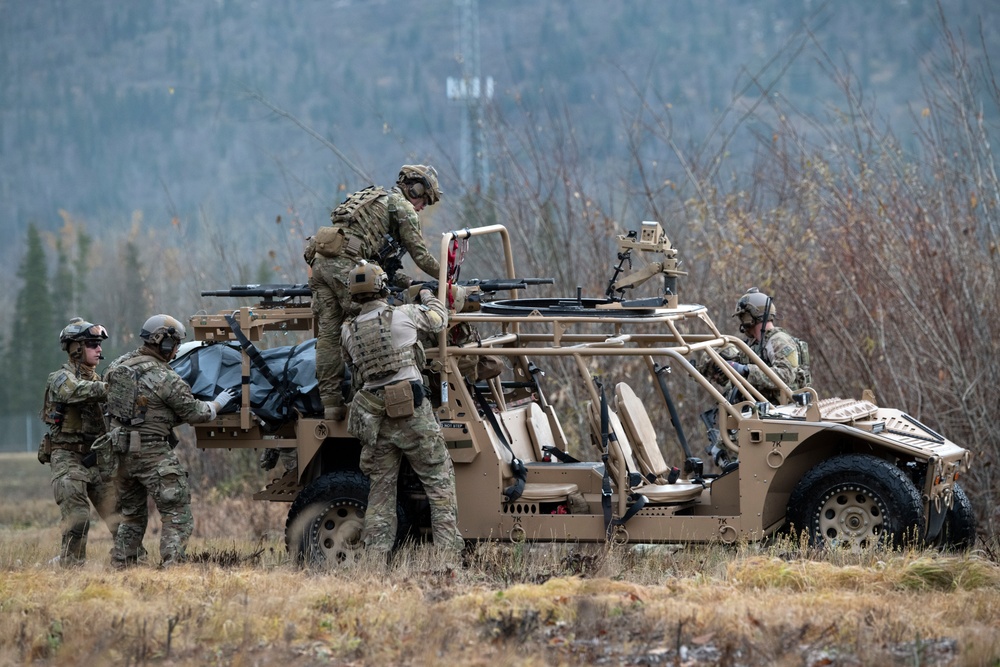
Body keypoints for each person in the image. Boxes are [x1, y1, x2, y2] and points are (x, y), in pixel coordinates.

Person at [341, 261, 463, 560]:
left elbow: (353, 370)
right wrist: (426, 294)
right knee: (439, 483)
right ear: (383, 287)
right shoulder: (402, 315)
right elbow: (439, 320)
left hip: (376, 417)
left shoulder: (348, 330)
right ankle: (447, 560)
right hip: (412, 410)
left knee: (380, 494)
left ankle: (372, 563)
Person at [306, 165, 443, 422]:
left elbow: (385, 268)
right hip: (346, 266)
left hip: (321, 263)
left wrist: (408, 280)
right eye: (424, 199)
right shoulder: (403, 209)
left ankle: (332, 404)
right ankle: (372, 393)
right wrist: (448, 275)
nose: (423, 206)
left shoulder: (377, 200)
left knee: (328, 333)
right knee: (370, 321)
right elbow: (422, 257)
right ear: (414, 189)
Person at [104, 314, 237, 568]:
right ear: (162, 343)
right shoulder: (164, 377)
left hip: (119, 453)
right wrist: (218, 403)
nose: (176, 350)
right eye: (174, 344)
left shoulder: (118, 366)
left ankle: (122, 566)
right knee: (177, 512)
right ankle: (172, 565)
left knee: (131, 516)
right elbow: (196, 413)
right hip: (151, 452)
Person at [40, 318, 124, 566]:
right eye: (91, 344)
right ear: (75, 348)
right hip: (67, 458)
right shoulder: (60, 378)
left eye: (99, 344)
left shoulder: (101, 380)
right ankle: (70, 567)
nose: (99, 349)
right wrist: (113, 387)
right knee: (78, 517)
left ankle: (129, 564)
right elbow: (76, 391)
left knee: (122, 518)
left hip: (97, 459)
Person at [726, 287, 811, 406]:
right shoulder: (756, 343)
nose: (742, 322)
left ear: (751, 316)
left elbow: (786, 374)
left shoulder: (778, 341)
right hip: (765, 410)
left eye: (742, 317)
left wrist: (746, 370)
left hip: (784, 411)